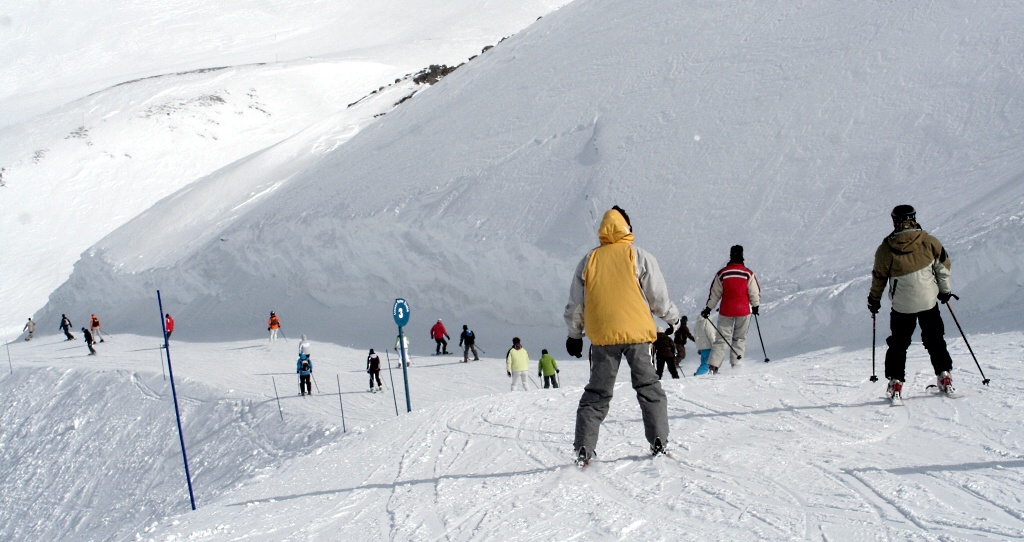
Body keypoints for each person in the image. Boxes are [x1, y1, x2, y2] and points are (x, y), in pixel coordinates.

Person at [564, 206, 680, 465]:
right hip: (638, 336)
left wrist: (574, 334)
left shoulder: (589, 260)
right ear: (628, 227)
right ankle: (658, 441)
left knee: (597, 394)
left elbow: (577, 303)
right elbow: (657, 297)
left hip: (603, 338)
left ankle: (584, 448)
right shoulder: (639, 256)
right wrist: (673, 320)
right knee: (649, 388)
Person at [868, 205, 955, 399]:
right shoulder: (929, 241)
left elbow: (879, 277)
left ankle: (896, 383)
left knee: (899, 344)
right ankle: (944, 377)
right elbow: (943, 267)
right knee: (935, 339)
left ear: (895, 221)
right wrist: (945, 292)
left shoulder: (886, 248)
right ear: (913, 218)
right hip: (928, 300)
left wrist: (874, 300)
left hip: (902, 305)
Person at [700, 245, 760, 373]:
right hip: (743, 310)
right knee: (739, 338)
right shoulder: (748, 273)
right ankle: (736, 365)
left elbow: (715, 293)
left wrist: (708, 308)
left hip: (726, 310)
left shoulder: (723, 273)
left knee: (721, 339)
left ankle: (713, 367)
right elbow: (754, 292)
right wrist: (755, 306)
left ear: (730, 256)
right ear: (742, 256)